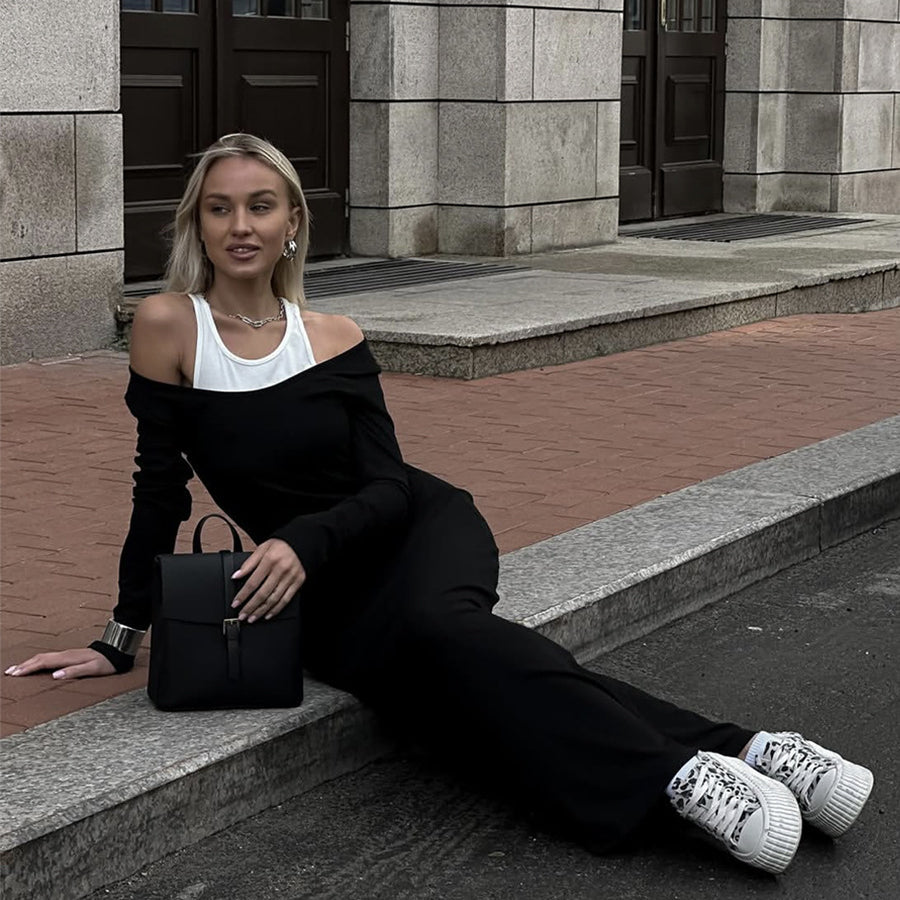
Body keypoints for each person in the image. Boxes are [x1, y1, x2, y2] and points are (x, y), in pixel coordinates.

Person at [5, 134, 874, 874]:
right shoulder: (166, 327)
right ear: (198, 221)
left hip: (415, 529)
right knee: (439, 688)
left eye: (261, 206)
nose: (241, 226)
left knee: (441, 637)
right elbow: (157, 488)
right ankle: (744, 750)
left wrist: (304, 540)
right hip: (317, 588)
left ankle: (677, 779)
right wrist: (118, 638)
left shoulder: (336, 336)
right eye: (221, 208)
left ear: (292, 223)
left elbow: (388, 484)